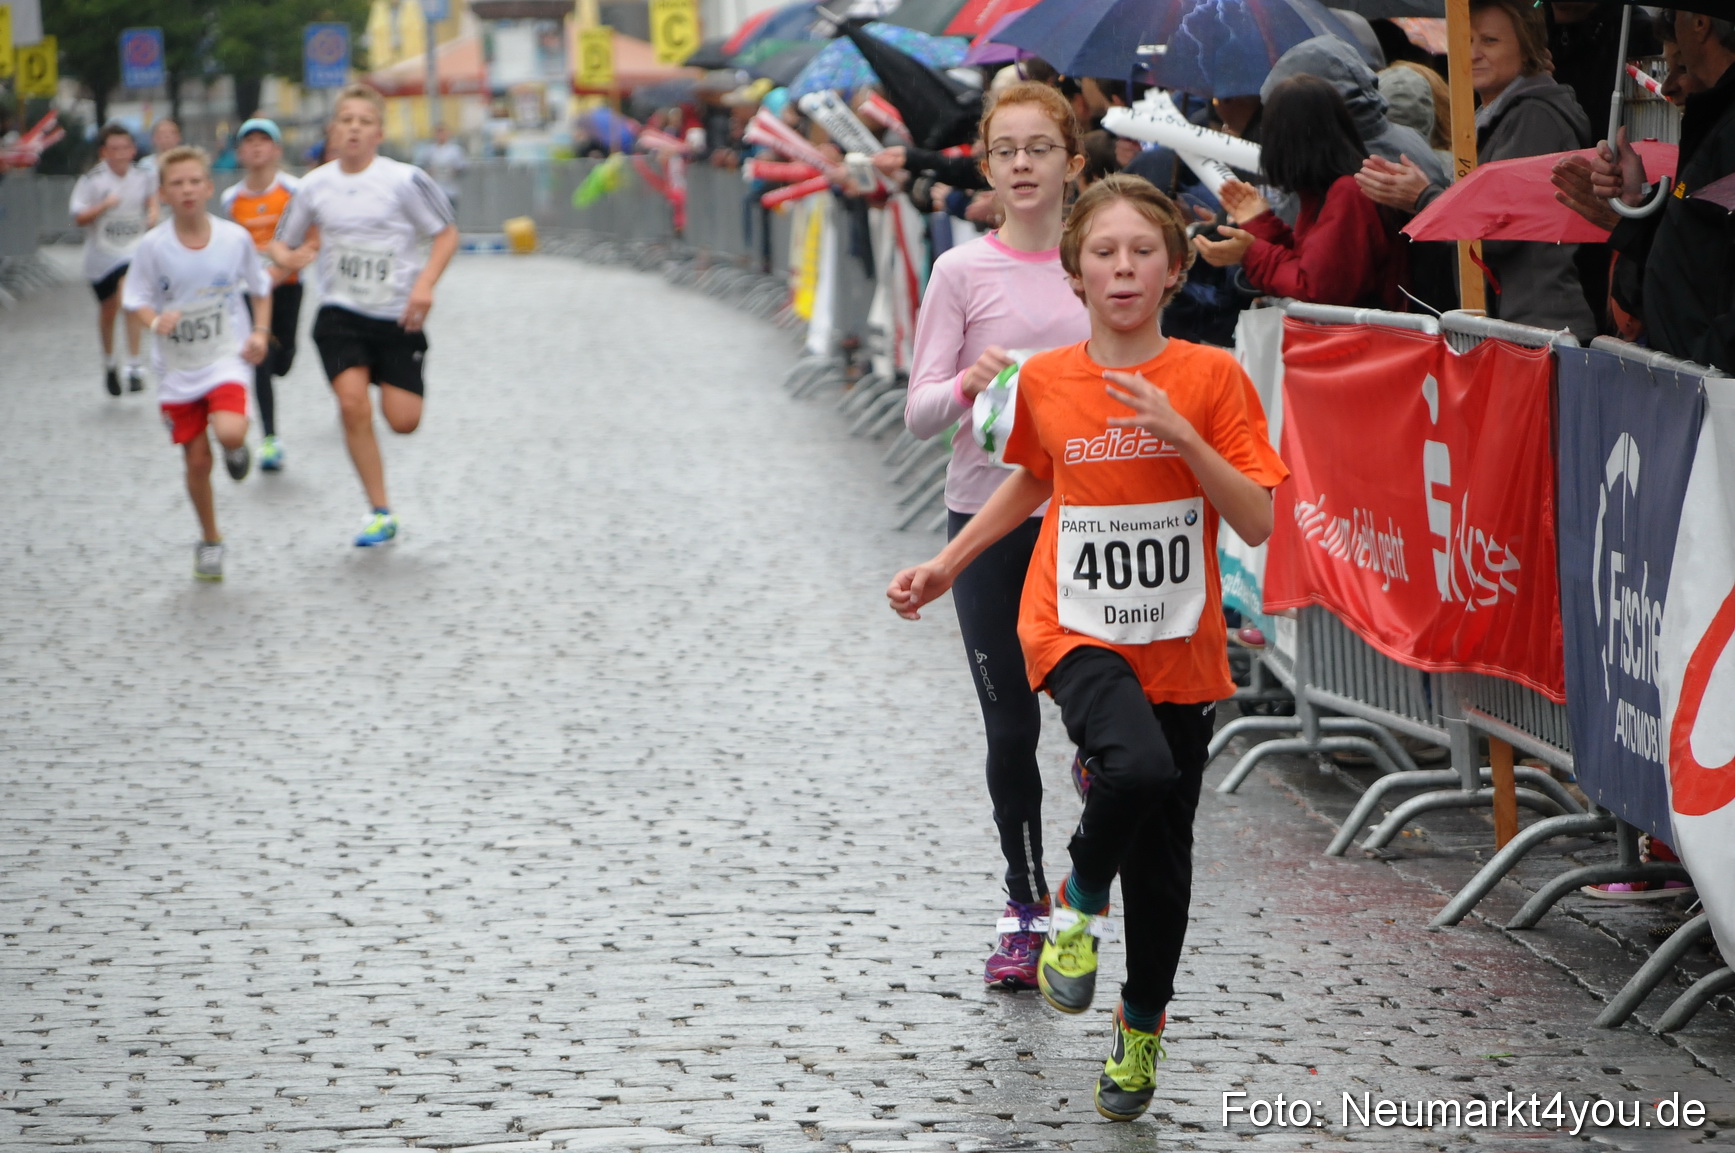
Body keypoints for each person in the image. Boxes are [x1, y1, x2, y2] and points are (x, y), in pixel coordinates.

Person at [888, 174, 1287, 1123]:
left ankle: (1139, 1024)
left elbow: (1257, 519)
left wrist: (1185, 438)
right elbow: (1030, 478)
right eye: (1102, 253)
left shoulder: (1211, 376)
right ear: (1073, 274)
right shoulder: (1049, 379)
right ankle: (1075, 894)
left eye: (1141, 252)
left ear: (1175, 268)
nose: (1121, 267)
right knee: (1135, 767)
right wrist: (948, 562)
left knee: (1166, 855)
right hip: (1072, 625)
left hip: (1178, 643)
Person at [903, 81, 1092, 993]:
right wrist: (971, 385)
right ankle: (1024, 907)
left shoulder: (1101, 259)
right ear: (986, 165)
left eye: (1039, 148)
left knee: (1103, 722)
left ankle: (1093, 838)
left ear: (1072, 164)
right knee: (1010, 726)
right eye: (1006, 150)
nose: (1023, 164)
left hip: (1091, 518)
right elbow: (917, 411)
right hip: (985, 523)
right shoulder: (959, 274)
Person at [270, 84, 459, 547]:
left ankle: (380, 374)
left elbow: (447, 233)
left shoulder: (404, 180)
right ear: (332, 130)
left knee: (403, 421)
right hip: (341, 314)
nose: (354, 128)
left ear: (379, 132)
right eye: (346, 120)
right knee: (352, 405)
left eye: (364, 121)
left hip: (397, 318)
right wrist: (288, 258)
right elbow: (281, 240)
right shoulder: (313, 185)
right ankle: (379, 511)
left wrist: (424, 285)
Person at [1555, 8, 1735, 370]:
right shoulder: (1713, 124)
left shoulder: (1727, 131)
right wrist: (1634, 214)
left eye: (1680, 67)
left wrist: (1711, 370)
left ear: (1700, 23)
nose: (1668, 86)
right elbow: (1696, 261)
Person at [122, 146, 271, 582]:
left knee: (228, 430)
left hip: (225, 355)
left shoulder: (234, 238)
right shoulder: (153, 247)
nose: (187, 190)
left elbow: (260, 287)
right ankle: (210, 539)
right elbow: (136, 301)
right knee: (197, 462)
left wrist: (260, 333)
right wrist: (157, 320)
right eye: (177, 184)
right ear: (164, 193)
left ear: (208, 187)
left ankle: (237, 446)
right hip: (177, 368)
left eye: (194, 182)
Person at [1194, 75, 1408, 309]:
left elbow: (1316, 289)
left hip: (1366, 340)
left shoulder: (1348, 193)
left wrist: (1250, 252)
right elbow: (1310, 263)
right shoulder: (1327, 191)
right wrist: (1259, 222)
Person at [221, 118, 313, 474]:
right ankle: (270, 440)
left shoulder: (294, 190)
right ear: (240, 152)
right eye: (249, 142)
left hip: (287, 287)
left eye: (264, 141)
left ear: (276, 150)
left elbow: (309, 241)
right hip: (248, 294)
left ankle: (277, 356)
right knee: (257, 360)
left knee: (283, 361)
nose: (257, 147)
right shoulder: (232, 199)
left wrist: (281, 270)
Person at [70, 124, 158, 396]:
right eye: (114, 149)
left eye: (125, 148)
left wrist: (153, 214)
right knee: (109, 311)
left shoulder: (144, 175)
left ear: (133, 150)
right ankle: (110, 363)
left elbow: (153, 201)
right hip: (102, 257)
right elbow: (78, 216)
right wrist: (104, 206)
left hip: (133, 250)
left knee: (129, 297)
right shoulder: (92, 180)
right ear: (104, 151)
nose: (120, 154)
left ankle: (134, 366)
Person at [416, 123, 468, 218]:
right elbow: (420, 166)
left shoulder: (455, 150)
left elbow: (463, 168)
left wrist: (454, 171)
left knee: (450, 216)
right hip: (434, 189)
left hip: (450, 190)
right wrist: (428, 171)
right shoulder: (429, 150)